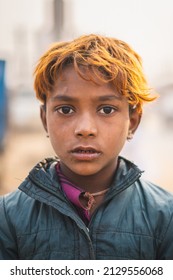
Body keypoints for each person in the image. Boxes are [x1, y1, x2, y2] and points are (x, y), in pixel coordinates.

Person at [0, 34, 173, 260]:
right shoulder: (9, 217)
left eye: (106, 110)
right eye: (65, 110)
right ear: (44, 120)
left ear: (133, 122)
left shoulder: (165, 216)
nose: (85, 129)